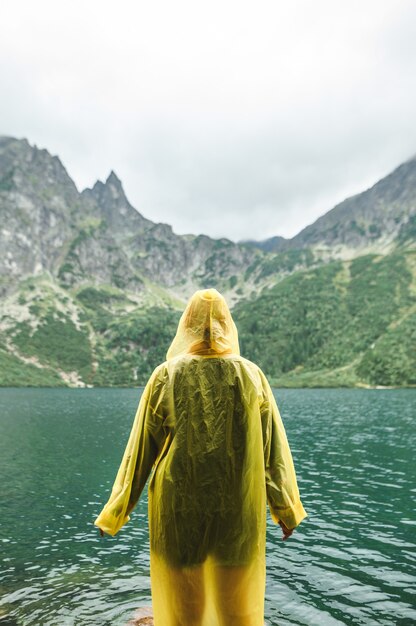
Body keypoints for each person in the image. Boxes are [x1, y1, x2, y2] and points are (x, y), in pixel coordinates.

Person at [94, 288, 307, 626]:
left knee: (182, 615)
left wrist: (115, 512)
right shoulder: (251, 375)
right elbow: (274, 451)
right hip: (237, 513)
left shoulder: (166, 375)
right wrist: (286, 509)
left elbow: (139, 451)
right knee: (236, 613)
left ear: (187, 325)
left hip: (177, 515)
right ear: (228, 324)